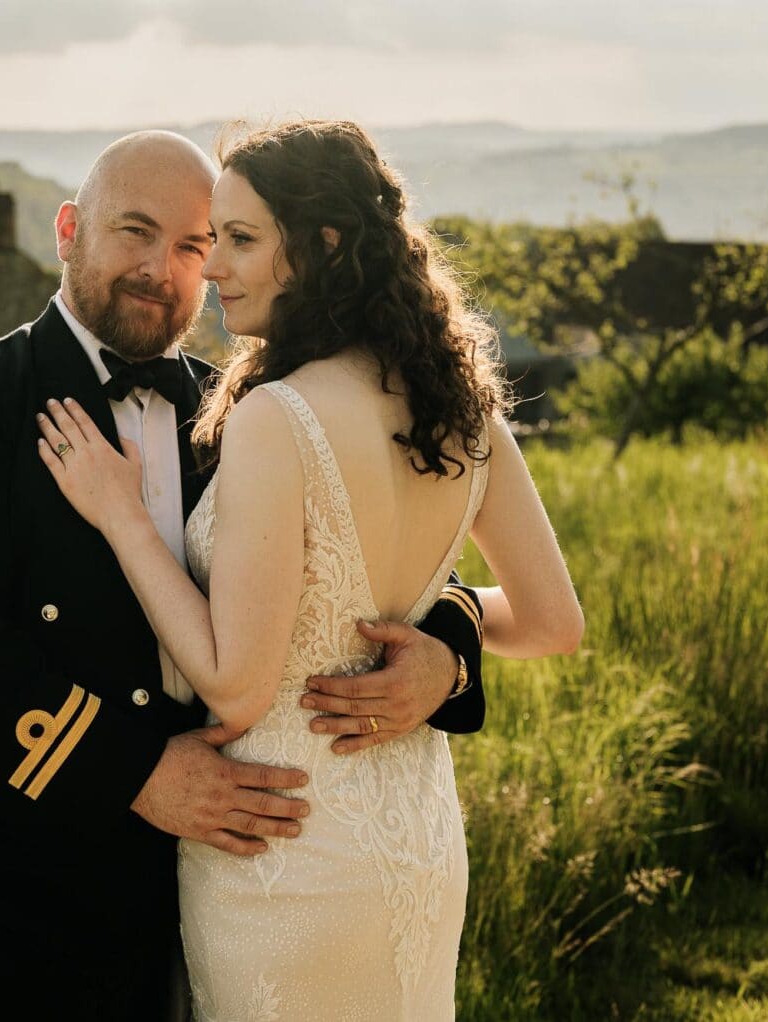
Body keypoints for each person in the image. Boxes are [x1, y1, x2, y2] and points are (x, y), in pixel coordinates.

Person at [0, 130, 490, 1020]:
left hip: (208, 883)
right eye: (134, 231)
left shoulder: (240, 408)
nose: (163, 268)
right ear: (69, 230)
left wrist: (448, 656)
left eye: (196, 244)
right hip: (7, 883)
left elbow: (376, 569)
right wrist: (134, 772)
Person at [34, 120, 583, 1020]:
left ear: (322, 247)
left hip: (282, 850)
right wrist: (445, 653)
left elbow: (236, 686)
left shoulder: (276, 416)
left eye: (241, 240)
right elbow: (553, 622)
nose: (211, 269)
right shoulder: (462, 405)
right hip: (417, 841)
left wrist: (122, 515)